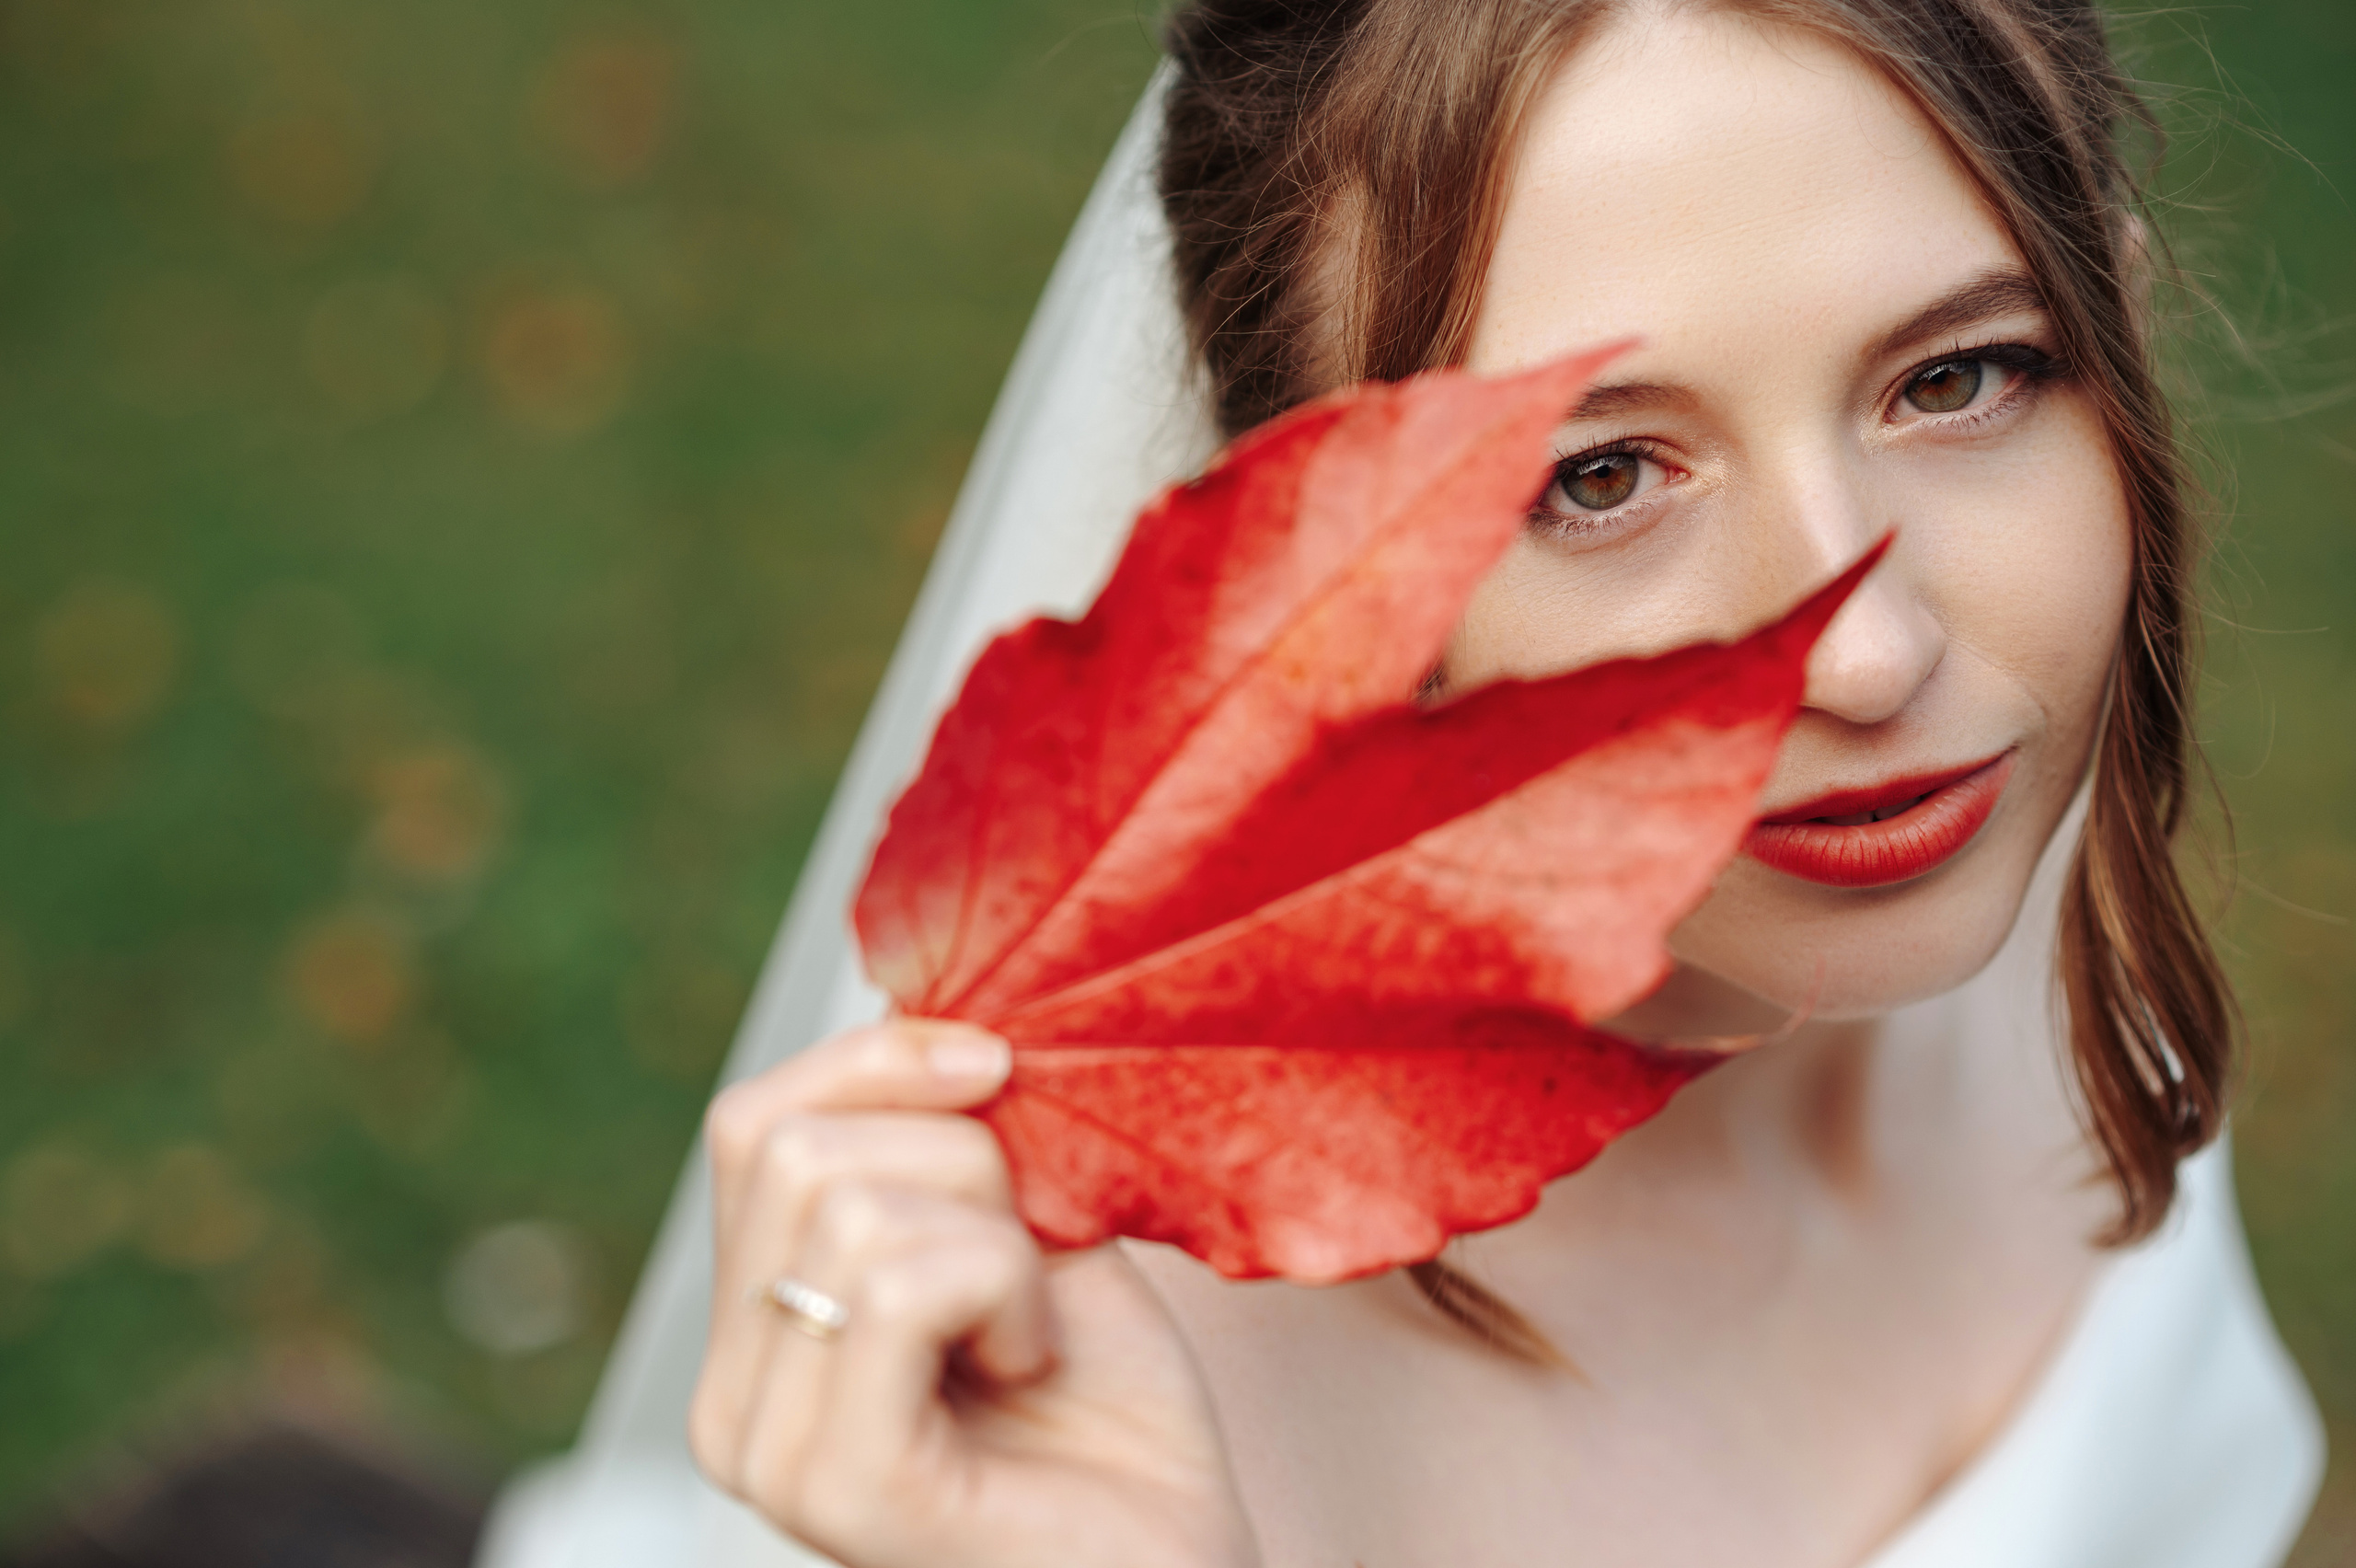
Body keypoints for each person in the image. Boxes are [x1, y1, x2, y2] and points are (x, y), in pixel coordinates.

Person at [475, 3, 2325, 1565]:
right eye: (1597, 479)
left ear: (2120, 327)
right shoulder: (1076, 1358)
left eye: (1963, 378)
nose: (1867, 656)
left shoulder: (1981, 850)